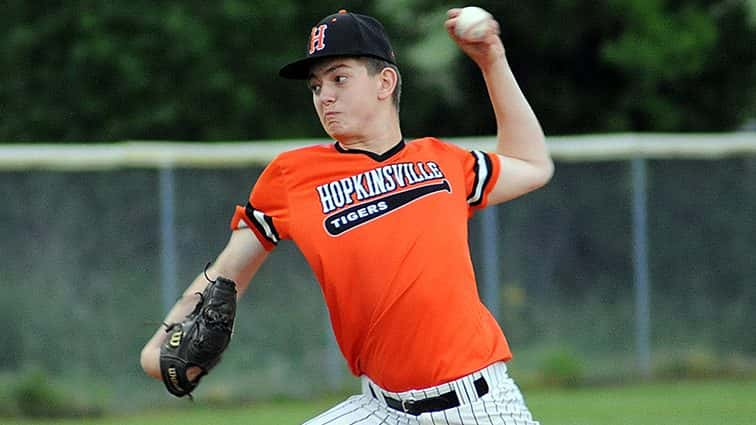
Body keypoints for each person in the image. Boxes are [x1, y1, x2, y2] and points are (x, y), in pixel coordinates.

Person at [140, 8, 553, 424]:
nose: (325, 96)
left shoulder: (444, 162)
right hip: (380, 408)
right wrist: (158, 345)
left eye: (339, 78)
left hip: (479, 406)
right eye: (316, 86)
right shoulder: (291, 177)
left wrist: (491, 60)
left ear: (384, 82)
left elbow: (532, 164)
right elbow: (225, 274)